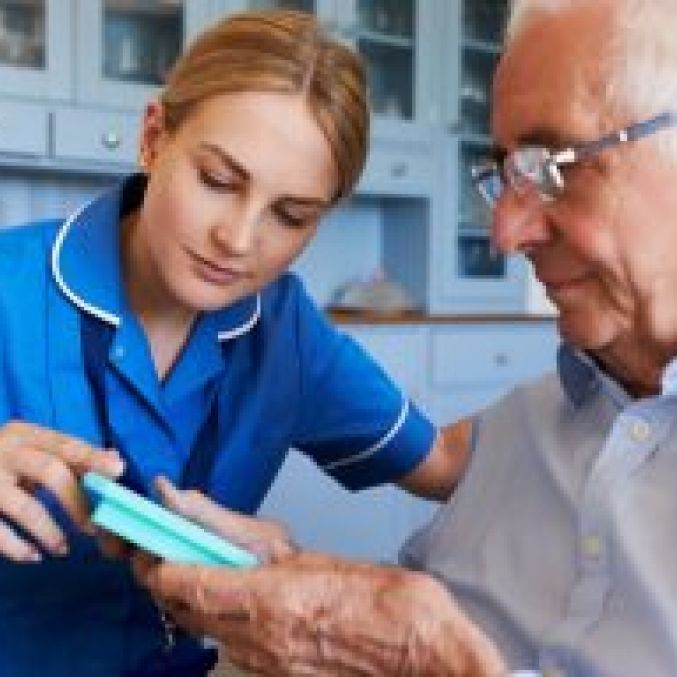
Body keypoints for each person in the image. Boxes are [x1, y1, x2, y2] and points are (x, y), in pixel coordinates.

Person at [135, 0, 677, 675]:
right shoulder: (525, 424)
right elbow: (410, 595)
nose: (504, 234)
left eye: (551, 164)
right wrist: (291, 576)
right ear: (152, 139)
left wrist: (440, 663)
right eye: (507, 173)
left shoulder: (285, 333)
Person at [0, 10, 470, 676]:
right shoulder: (9, 285)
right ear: (154, 137)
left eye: (290, 214)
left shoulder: (286, 332)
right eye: (219, 181)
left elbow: (448, 463)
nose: (240, 239)